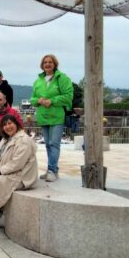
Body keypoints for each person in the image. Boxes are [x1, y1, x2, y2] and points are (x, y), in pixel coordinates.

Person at [31, 54, 73, 182]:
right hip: (43, 117)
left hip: (57, 117)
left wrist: (52, 101)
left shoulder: (62, 78)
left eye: (50, 62)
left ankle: (51, 170)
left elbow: (68, 96)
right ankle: (53, 170)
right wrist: (39, 100)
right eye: (45, 62)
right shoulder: (38, 81)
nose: (47, 64)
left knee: (54, 144)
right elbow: (32, 99)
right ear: (42, 65)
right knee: (48, 145)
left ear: (55, 64)